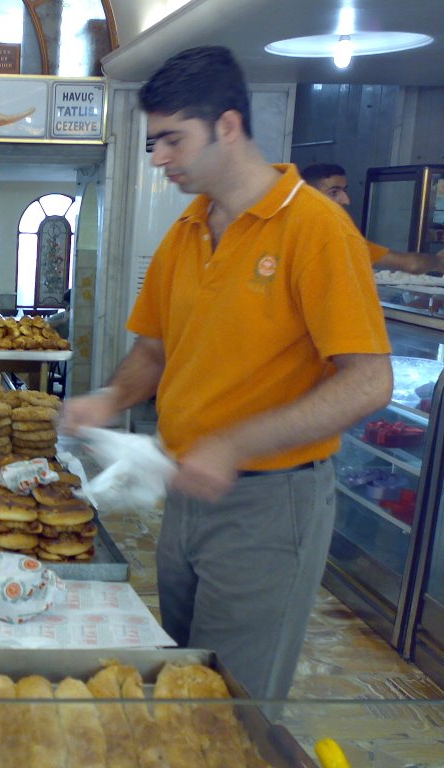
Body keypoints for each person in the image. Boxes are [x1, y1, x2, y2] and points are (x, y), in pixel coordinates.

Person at [61, 46, 392, 700]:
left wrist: (234, 444)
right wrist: (109, 397)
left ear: (230, 126)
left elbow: (368, 381)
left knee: (233, 696)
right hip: (187, 491)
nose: (160, 159)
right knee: (186, 674)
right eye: (154, 142)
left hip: (270, 502)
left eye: (172, 140)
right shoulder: (188, 230)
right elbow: (154, 353)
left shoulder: (315, 229)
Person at [301, 162, 444, 274]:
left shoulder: (294, 229)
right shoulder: (335, 238)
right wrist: (438, 261)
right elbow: (412, 264)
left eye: (345, 190)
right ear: (309, 195)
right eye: (334, 192)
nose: (346, 200)